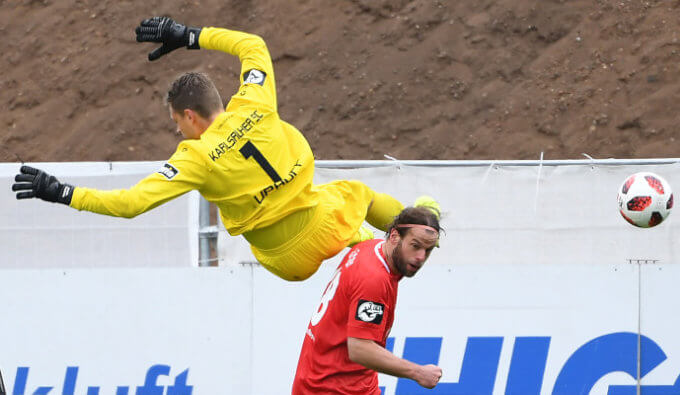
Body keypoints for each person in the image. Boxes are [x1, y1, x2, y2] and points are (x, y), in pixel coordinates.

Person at [11, 16, 440, 281]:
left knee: (338, 210)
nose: (179, 133)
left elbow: (129, 204)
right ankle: (412, 230)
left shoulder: (195, 158)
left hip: (282, 260)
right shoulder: (254, 100)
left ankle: (375, 244)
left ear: (190, 116)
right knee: (357, 194)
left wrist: (62, 193)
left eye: (177, 123)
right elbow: (252, 45)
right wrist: (189, 35)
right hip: (324, 222)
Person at [292, 206, 443, 394]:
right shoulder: (374, 279)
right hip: (331, 388)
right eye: (415, 246)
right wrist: (418, 372)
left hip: (351, 383)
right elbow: (360, 348)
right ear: (395, 236)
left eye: (427, 250)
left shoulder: (371, 248)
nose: (421, 257)